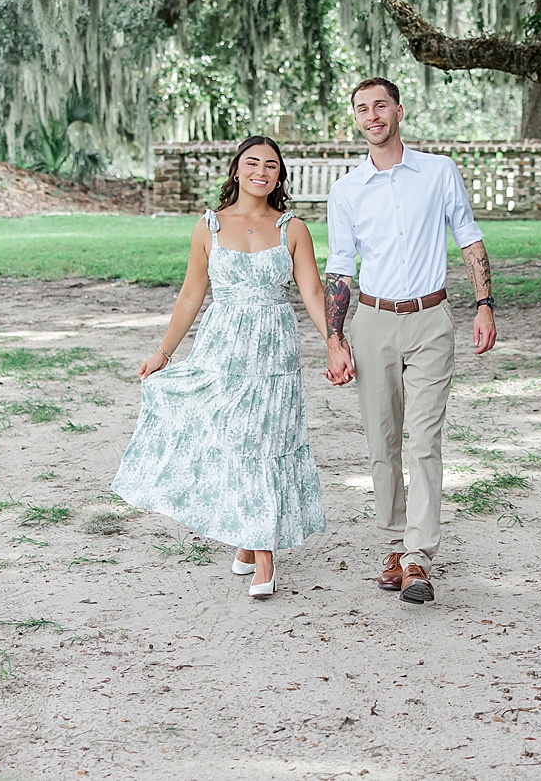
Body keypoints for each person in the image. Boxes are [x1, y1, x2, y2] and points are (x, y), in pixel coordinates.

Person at [113, 135, 350, 598]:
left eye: (271, 165)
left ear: (280, 175)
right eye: (252, 162)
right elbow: (190, 294)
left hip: (274, 351)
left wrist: (336, 342)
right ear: (237, 170)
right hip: (222, 350)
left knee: (265, 440)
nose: (261, 171)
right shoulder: (210, 227)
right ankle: (252, 542)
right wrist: (164, 352)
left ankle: (262, 556)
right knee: (237, 439)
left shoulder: (292, 229)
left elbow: (313, 294)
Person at [323, 77, 496, 605]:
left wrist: (485, 304)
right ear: (355, 119)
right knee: (383, 444)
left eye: (380, 106)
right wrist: (335, 339)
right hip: (372, 322)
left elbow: (467, 236)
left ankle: (418, 555)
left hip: (430, 319)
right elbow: (339, 269)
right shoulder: (347, 190)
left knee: (423, 441)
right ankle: (399, 543)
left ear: (399, 110)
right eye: (361, 109)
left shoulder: (439, 172)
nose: (372, 116)